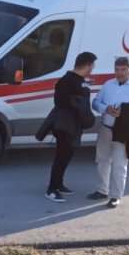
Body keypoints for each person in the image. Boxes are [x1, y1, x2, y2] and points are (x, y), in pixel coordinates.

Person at [89, 56, 129, 208]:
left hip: (124, 132)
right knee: (102, 160)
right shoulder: (108, 84)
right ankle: (102, 190)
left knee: (119, 164)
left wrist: (125, 111)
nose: (120, 73)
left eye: (123, 69)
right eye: (117, 69)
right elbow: (95, 102)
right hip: (106, 128)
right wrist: (105, 109)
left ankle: (115, 196)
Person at [38, 51, 96, 203]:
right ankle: (52, 189)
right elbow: (60, 100)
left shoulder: (79, 80)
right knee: (61, 157)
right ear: (87, 65)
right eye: (92, 65)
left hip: (73, 126)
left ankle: (59, 184)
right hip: (64, 126)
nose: (93, 68)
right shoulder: (68, 80)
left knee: (67, 156)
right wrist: (78, 105)